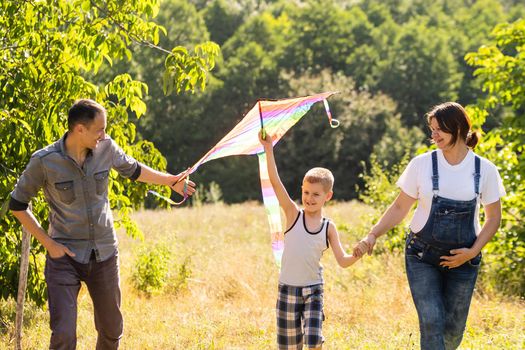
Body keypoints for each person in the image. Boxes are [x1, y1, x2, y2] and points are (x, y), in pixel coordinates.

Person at [9, 99, 196, 350]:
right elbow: (17, 205)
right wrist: (49, 244)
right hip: (64, 256)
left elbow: (135, 170)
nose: (104, 135)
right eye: (99, 129)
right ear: (79, 130)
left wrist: (171, 180)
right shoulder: (44, 161)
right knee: (63, 334)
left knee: (111, 329)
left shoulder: (106, 148)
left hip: (104, 253)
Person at [353, 102, 505, 350]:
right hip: (422, 255)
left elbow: (493, 218)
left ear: (457, 128)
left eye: (439, 130)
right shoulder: (422, 164)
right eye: (431, 129)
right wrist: (373, 235)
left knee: (453, 332)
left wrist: (472, 252)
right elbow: (400, 208)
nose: (433, 135)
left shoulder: (484, 170)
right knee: (432, 321)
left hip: (464, 259)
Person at [259, 131, 362, 350]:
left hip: (313, 290)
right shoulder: (293, 214)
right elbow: (276, 183)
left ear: (328, 196)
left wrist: (356, 254)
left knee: (314, 342)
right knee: (289, 346)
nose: (309, 198)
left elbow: (342, 260)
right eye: (306, 192)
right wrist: (269, 150)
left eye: (316, 194)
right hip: (287, 290)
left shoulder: (328, 227)